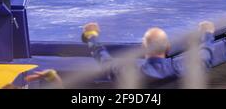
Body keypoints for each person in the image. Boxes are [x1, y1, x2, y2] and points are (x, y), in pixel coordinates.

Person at [81, 21, 216, 86]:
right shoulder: (180, 68)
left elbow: (104, 59)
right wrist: (207, 34)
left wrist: (92, 35)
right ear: (168, 48)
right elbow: (204, 56)